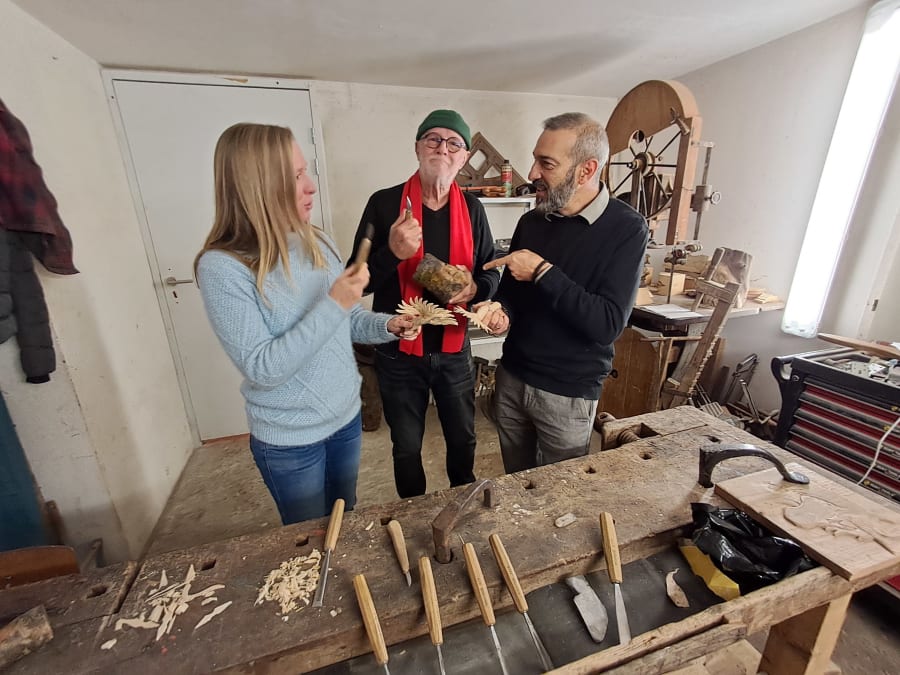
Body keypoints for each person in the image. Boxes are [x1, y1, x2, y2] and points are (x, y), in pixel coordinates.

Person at [194, 123, 418, 525]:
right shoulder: (223, 268)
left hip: (345, 419)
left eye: (305, 172)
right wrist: (336, 303)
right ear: (258, 185)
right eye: (296, 176)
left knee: (343, 520)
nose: (310, 186)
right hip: (290, 441)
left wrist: (388, 326)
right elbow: (264, 368)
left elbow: (346, 321)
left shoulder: (317, 240)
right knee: (308, 544)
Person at [477, 112, 649, 472]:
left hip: (567, 394)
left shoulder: (626, 229)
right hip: (511, 377)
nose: (534, 173)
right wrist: (501, 312)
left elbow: (606, 324)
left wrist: (543, 271)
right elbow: (513, 294)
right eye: (536, 159)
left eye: (546, 164)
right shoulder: (532, 221)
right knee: (517, 484)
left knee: (561, 492)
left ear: (586, 171)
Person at [349, 109, 500, 498]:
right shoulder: (384, 205)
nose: (442, 148)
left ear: (464, 157)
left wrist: (476, 289)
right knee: (406, 448)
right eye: (432, 138)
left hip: (454, 350)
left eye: (454, 143)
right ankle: (412, 514)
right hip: (399, 353)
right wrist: (393, 253)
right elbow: (355, 283)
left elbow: (491, 272)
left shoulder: (473, 209)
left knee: (464, 441)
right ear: (417, 147)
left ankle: (460, 503)